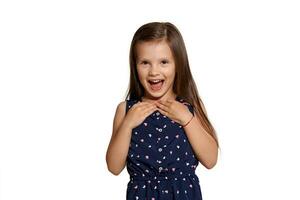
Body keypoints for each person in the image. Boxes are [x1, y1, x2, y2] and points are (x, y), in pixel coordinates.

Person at [106, 21, 219, 200]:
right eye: (145, 63)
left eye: (164, 62)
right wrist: (127, 125)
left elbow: (211, 160)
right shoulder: (126, 110)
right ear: (134, 66)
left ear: (178, 64)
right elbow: (113, 167)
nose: (154, 71)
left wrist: (187, 119)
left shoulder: (191, 106)